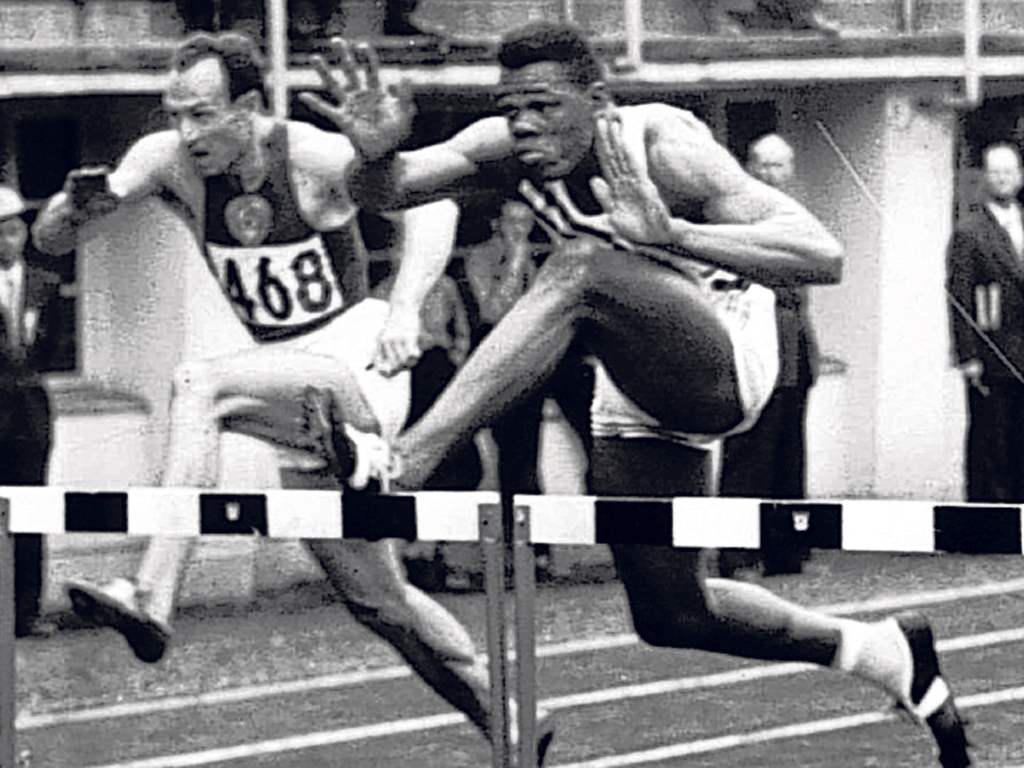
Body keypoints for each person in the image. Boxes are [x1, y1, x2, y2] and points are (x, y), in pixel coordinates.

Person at [299, 22, 971, 767]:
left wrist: (673, 231)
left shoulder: (665, 145)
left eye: (545, 106)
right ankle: (884, 651)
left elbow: (822, 255)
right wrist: (374, 153)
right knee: (673, 610)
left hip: (723, 350)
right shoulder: (504, 146)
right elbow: (387, 191)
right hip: (632, 367)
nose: (525, 124)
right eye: (512, 106)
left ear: (597, 102)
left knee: (583, 266)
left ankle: (402, 466)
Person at [31, 31, 541, 764]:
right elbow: (50, 243)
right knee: (378, 601)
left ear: (247, 107)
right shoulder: (164, 162)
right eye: (175, 113)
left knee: (198, 384)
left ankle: (152, 593)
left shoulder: (305, 154)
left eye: (204, 115)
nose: (187, 132)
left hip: (358, 364)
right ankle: (512, 721)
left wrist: (404, 308)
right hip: (288, 386)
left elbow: (432, 211)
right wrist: (73, 211)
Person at [719, 133, 820, 576]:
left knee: (789, 457)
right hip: (756, 350)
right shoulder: (736, 220)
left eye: (780, 166)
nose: (771, 174)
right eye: (763, 165)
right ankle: (737, 551)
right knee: (748, 458)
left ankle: (787, 550)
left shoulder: (795, 217)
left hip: (795, 351)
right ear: (749, 167)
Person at [0, 185, 63, 639]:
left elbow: (55, 347)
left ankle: (27, 611)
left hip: (30, 415)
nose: (7, 241)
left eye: (14, 230)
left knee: (30, 513)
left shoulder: (45, 284)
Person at [947, 142, 1024, 503]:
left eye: (1009, 171)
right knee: (991, 438)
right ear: (984, 178)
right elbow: (958, 297)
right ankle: (987, 521)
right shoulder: (970, 231)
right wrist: (967, 356)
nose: (1003, 178)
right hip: (992, 353)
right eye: (995, 172)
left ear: (1020, 176)